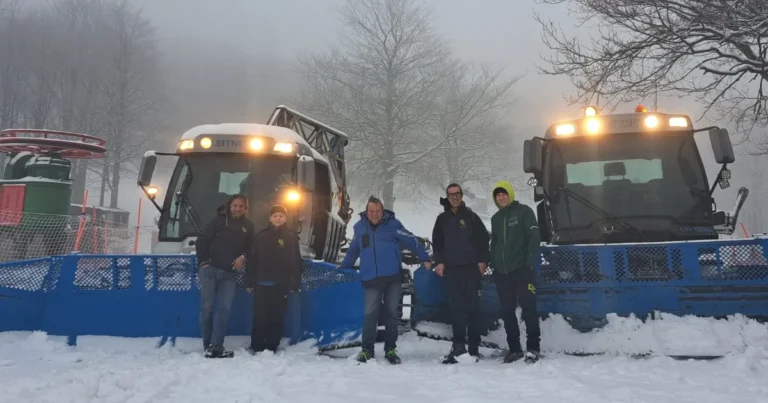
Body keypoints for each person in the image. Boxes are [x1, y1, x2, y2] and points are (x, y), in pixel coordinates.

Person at [340, 196, 431, 364]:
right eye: (371, 211)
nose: (374, 214)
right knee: (370, 315)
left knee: (391, 314)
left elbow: (411, 240)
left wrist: (425, 258)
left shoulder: (393, 225)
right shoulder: (359, 228)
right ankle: (367, 350)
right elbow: (353, 251)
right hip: (370, 279)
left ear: (383, 211)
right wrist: (343, 269)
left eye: (377, 211)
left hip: (392, 279)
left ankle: (390, 349)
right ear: (366, 212)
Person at [430, 183, 490, 364]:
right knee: (456, 309)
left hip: (471, 268)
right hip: (452, 269)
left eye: (457, 194)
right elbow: (437, 243)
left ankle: (473, 348)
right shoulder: (442, 219)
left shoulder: (471, 217)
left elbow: (483, 239)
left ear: (462, 196)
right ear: (447, 197)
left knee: (472, 308)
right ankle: (458, 347)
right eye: (451, 195)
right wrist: (439, 262)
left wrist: (483, 260)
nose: (454, 197)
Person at [195, 194, 255, 358]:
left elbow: (250, 248)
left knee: (225, 309)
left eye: (241, 206)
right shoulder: (218, 222)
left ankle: (217, 345)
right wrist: (203, 262)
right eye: (235, 205)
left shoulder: (248, 226)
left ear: (245, 208)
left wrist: (243, 257)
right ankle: (207, 345)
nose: (237, 208)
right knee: (207, 308)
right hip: (210, 271)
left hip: (229, 274)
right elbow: (202, 240)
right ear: (229, 206)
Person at [489, 180, 542, 364]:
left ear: (510, 194)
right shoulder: (495, 219)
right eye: (498, 195)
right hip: (503, 274)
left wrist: (529, 263)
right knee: (507, 311)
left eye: (504, 193)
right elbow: (494, 244)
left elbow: (534, 237)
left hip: (522, 270)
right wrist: (494, 264)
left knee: (528, 309)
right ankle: (515, 349)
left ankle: (533, 348)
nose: (501, 197)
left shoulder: (524, 212)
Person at [246, 205, 303, 354]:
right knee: (260, 316)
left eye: (281, 216)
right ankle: (257, 345)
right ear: (270, 218)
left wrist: (294, 282)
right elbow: (252, 261)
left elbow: (296, 261)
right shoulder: (260, 237)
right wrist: (249, 281)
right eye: (275, 216)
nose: (278, 218)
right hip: (261, 282)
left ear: (285, 218)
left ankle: (272, 345)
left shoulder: (291, 237)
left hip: (281, 284)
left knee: (276, 315)